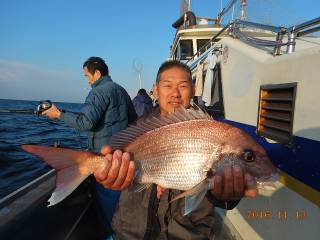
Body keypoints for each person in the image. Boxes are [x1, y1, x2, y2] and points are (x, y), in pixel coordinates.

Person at [94, 60, 257, 239]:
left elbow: (221, 192)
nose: (175, 93)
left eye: (182, 86)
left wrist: (225, 195)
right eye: (167, 85)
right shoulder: (136, 130)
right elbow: (124, 180)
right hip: (130, 234)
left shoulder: (211, 129)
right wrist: (112, 177)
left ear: (193, 90)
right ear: (155, 90)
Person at [42, 56, 137, 238]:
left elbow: (86, 122)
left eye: (87, 76)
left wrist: (57, 114)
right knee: (122, 207)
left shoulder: (98, 92)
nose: (87, 80)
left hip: (103, 161)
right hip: (123, 161)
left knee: (108, 210)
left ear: (97, 73)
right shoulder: (121, 90)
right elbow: (133, 122)